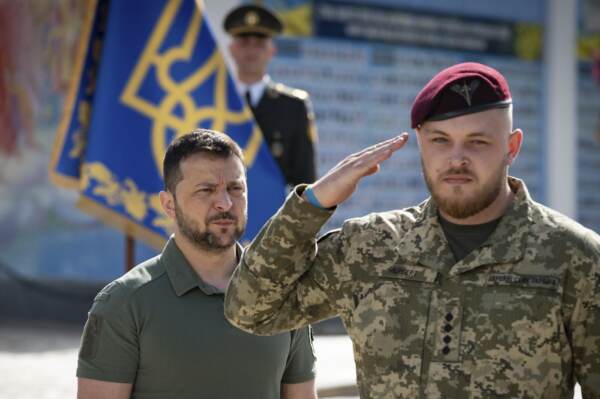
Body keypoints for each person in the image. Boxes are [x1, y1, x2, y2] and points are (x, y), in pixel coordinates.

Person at [224, 63, 600, 398]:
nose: (456, 159)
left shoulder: (574, 257)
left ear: (512, 146)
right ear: (421, 144)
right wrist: (312, 206)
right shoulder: (370, 248)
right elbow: (249, 310)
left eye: (478, 142)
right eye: (440, 140)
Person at [76, 130, 317, 399]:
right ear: (169, 204)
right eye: (206, 190)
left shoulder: (281, 293)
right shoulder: (124, 303)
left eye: (235, 189)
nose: (225, 203)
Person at [224, 4, 317, 189]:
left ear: (271, 51)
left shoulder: (294, 106)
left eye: (259, 43)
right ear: (232, 48)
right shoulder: (214, 99)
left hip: (274, 211)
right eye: (244, 42)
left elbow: (304, 177)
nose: (251, 50)